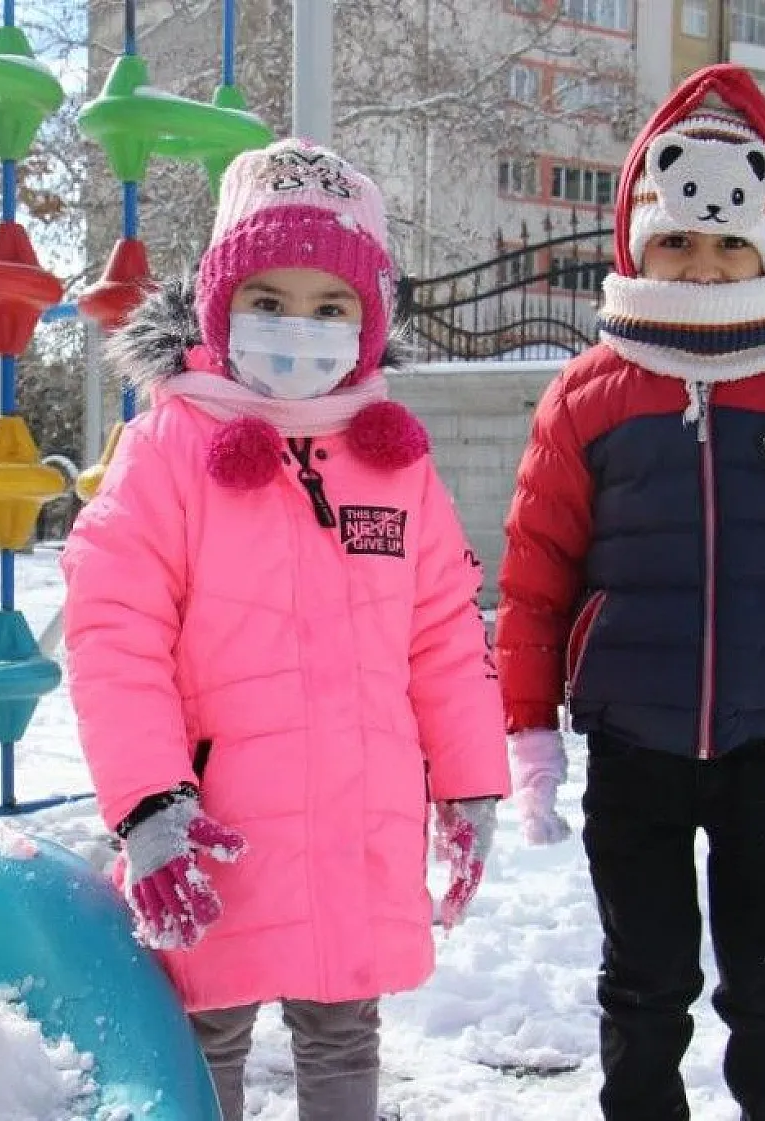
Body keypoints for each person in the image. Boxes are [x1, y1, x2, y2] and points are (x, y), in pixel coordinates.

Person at [494, 65, 765, 1121]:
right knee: (643, 984)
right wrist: (527, 729)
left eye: (728, 241)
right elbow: (534, 575)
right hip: (631, 748)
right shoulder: (588, 393)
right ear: (636, 241)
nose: (701, 262)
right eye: (676, 239)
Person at [61, 138, 511, 1121]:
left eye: (329, 306)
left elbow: (446, 632)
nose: (297, 328)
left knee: (344, 1023)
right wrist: (147, 802)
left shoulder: (393, 464)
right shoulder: (167, 449)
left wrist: (471, 778)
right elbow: (111, 632)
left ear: (368, 322)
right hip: (213, 819)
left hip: (359, 814)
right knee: (206, 1022)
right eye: (267, 301)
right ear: (218, 307)